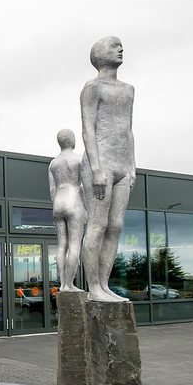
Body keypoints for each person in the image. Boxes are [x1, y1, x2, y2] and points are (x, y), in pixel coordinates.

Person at [80, 36, 135, 302]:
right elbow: (88, 128)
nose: (121, 49)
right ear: (99, 54)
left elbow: (128, 129)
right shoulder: (92, 87)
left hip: (123, 164)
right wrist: (96, 167)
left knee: (115, 225)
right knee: (98, 225)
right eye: (114, 46)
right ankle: (93, 288)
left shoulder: (128, 90)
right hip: (100, 163)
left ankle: (104, 285)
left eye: (121, 45)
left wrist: (132, 166)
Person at [48, 129, 86, 292]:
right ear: (72, 140)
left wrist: (56, 205)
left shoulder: (53, 164)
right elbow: (85, 187)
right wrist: (86, 209)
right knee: (75, 244)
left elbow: (52, 190)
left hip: (58, 202)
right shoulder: (79, 159)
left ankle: (63, 284)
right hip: (74, 200)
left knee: (61, 244)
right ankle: (70, 284)